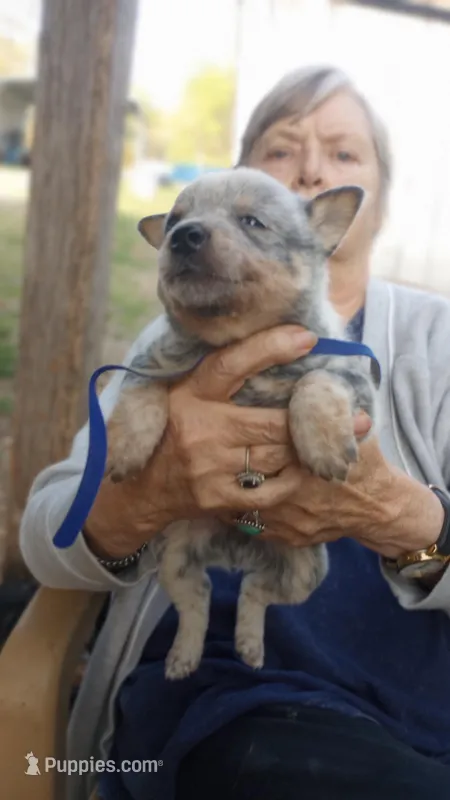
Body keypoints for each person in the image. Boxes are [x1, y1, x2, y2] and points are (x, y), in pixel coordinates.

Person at [20, 66, 450, 800]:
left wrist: (404, 517)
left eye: (344, 154)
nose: (312, 167)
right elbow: (42, 534)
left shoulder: (435, 342)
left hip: (399, 709)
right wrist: (144, 498)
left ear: (353, 213)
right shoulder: (164, 347)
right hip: (212, 708)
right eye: (281, 150)